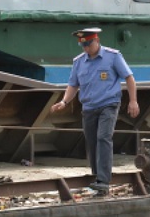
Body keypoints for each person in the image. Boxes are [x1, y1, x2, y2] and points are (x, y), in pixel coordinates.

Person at [50, 27, 139, 194]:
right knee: (92, 142)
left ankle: (104, 180)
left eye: (89, 44)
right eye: (82, 45)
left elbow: (129, 77)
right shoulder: (78, 62)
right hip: (89, 107)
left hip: (108, 104)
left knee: (103, 137)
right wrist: (64, 101)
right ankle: (97, 179)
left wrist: (133, 101)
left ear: (97, 41)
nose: (85, 48)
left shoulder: (113, 56)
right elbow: (73, 84)